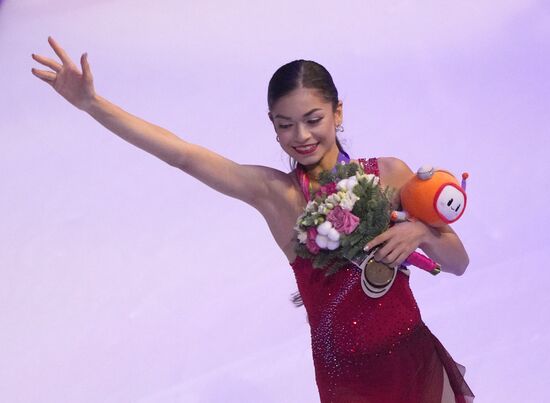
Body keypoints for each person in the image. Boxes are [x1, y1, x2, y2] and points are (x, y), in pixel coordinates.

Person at [31, 36, 475, 402]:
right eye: (285, 125)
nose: (300, 136)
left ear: (338, 112)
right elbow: (183, 155)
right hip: (348, 381)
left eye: (313, 119)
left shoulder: (391, 175)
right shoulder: (275, 195)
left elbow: (458, 262)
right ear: (272, 125)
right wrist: (93, 104)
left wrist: (420, 231)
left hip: (413, 359)